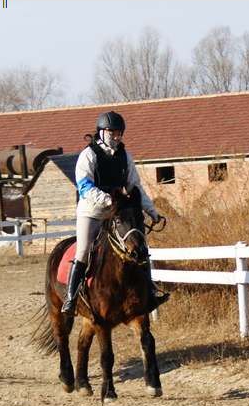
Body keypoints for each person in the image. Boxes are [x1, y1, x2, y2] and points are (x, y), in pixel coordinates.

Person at [60, 111, 169, 316]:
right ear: (101, 132)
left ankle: (151, 292)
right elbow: (84, 187)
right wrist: (108, 200)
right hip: (92, 212)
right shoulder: (88, 155)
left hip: (118, 212)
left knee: (140, 247)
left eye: (119, 133)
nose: (117, 137)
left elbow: (135, 187)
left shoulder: (125, 156)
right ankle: (71, 297)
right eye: (112, 132)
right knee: (83, 250)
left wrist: (152, 211)